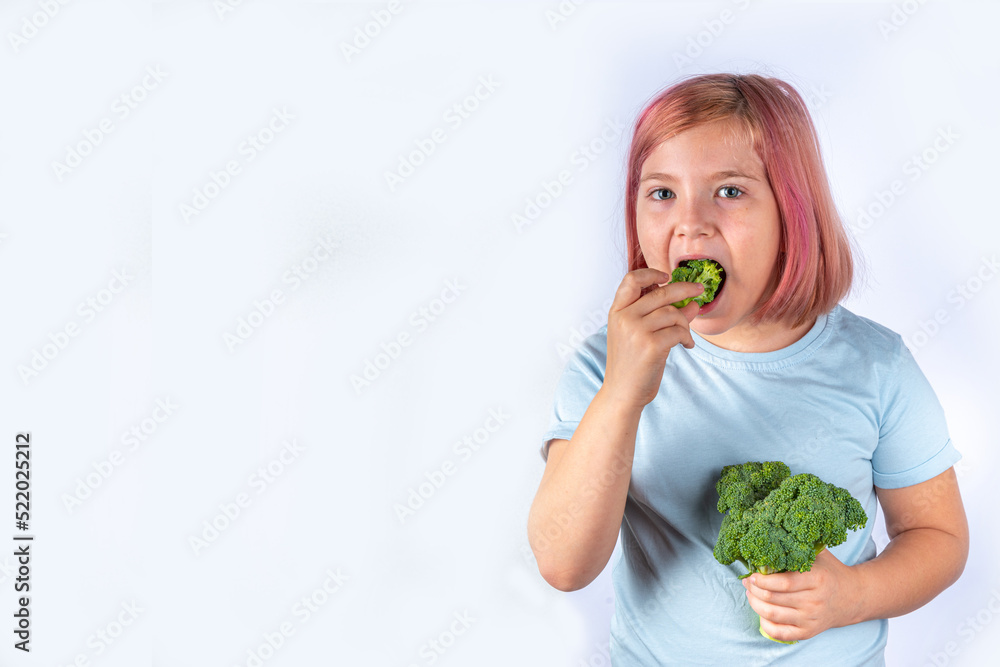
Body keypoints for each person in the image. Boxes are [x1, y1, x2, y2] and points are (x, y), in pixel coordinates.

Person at [527, 73, 968, 665]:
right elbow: (563, 565)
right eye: (661, 193)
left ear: (792, 213)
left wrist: (854, 595)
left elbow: (938, 538)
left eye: (729, 192)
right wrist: (623, 393)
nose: (692, 223)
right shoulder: (603, 368)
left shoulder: (877, 366)